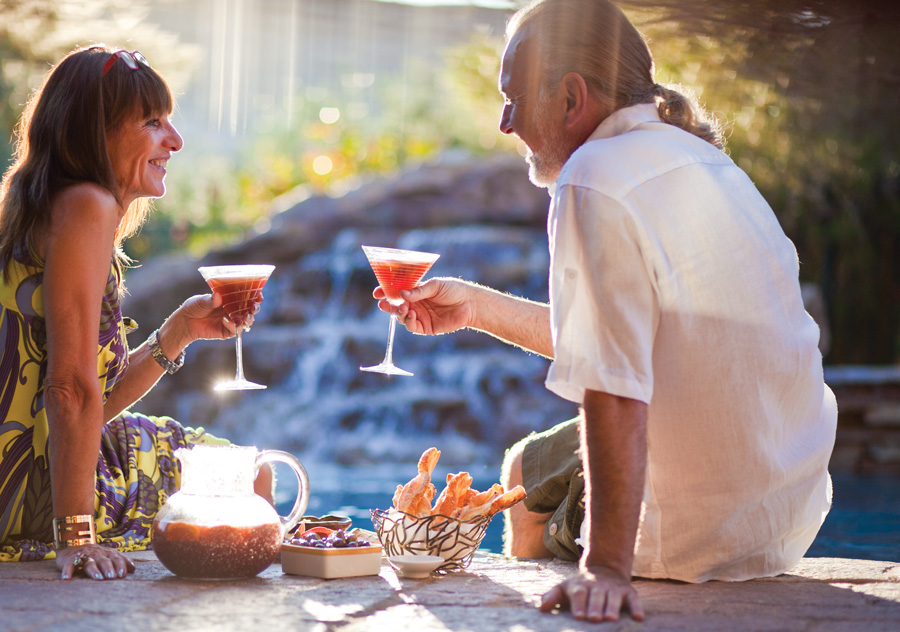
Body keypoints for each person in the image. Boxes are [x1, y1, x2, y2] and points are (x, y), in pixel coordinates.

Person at [376, 0, 837, 622]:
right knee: (534, 461)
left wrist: (606, 568)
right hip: (782, 511)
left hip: (692, 533)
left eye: (513, 97)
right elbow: (636, 343)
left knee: (519, 472)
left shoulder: (591, 177)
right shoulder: (707, 162)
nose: (505, 123)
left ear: (571, 97)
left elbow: (611, 385)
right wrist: (476, 307)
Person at [0, 45, 269, 580]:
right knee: (253, 477)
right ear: (96, 131)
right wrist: (77, 538)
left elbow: (87, 401)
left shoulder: (39, 204)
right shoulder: (86, 206)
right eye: (152, 122)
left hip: (36, 457)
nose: (175, 140)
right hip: (29, 484)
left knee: (241, 474)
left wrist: (182, 329)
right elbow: (70, 388)